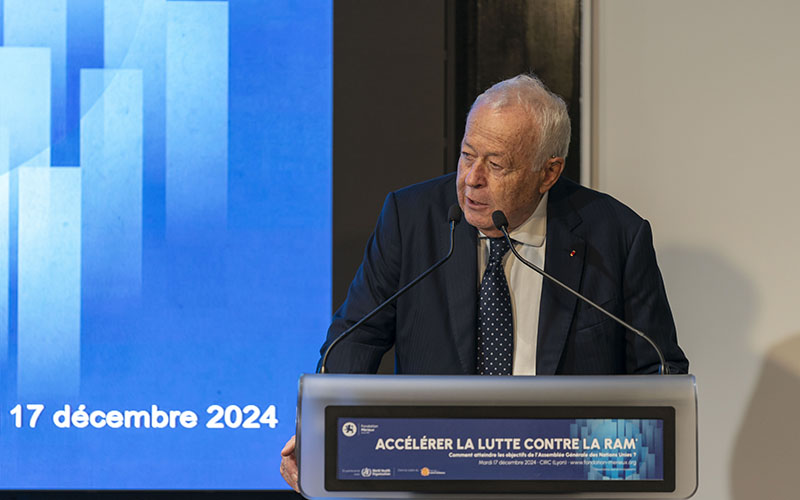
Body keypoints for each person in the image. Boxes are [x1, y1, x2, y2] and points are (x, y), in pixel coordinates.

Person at [279, 74, 688, 490]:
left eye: (496, 165)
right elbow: (355, 339)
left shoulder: (615, 236)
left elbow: (657, 366)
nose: (471, 179)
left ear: (548, 173)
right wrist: (318, 433)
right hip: (435, 475)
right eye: (467, 155)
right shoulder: (412, 218)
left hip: (567, 481)